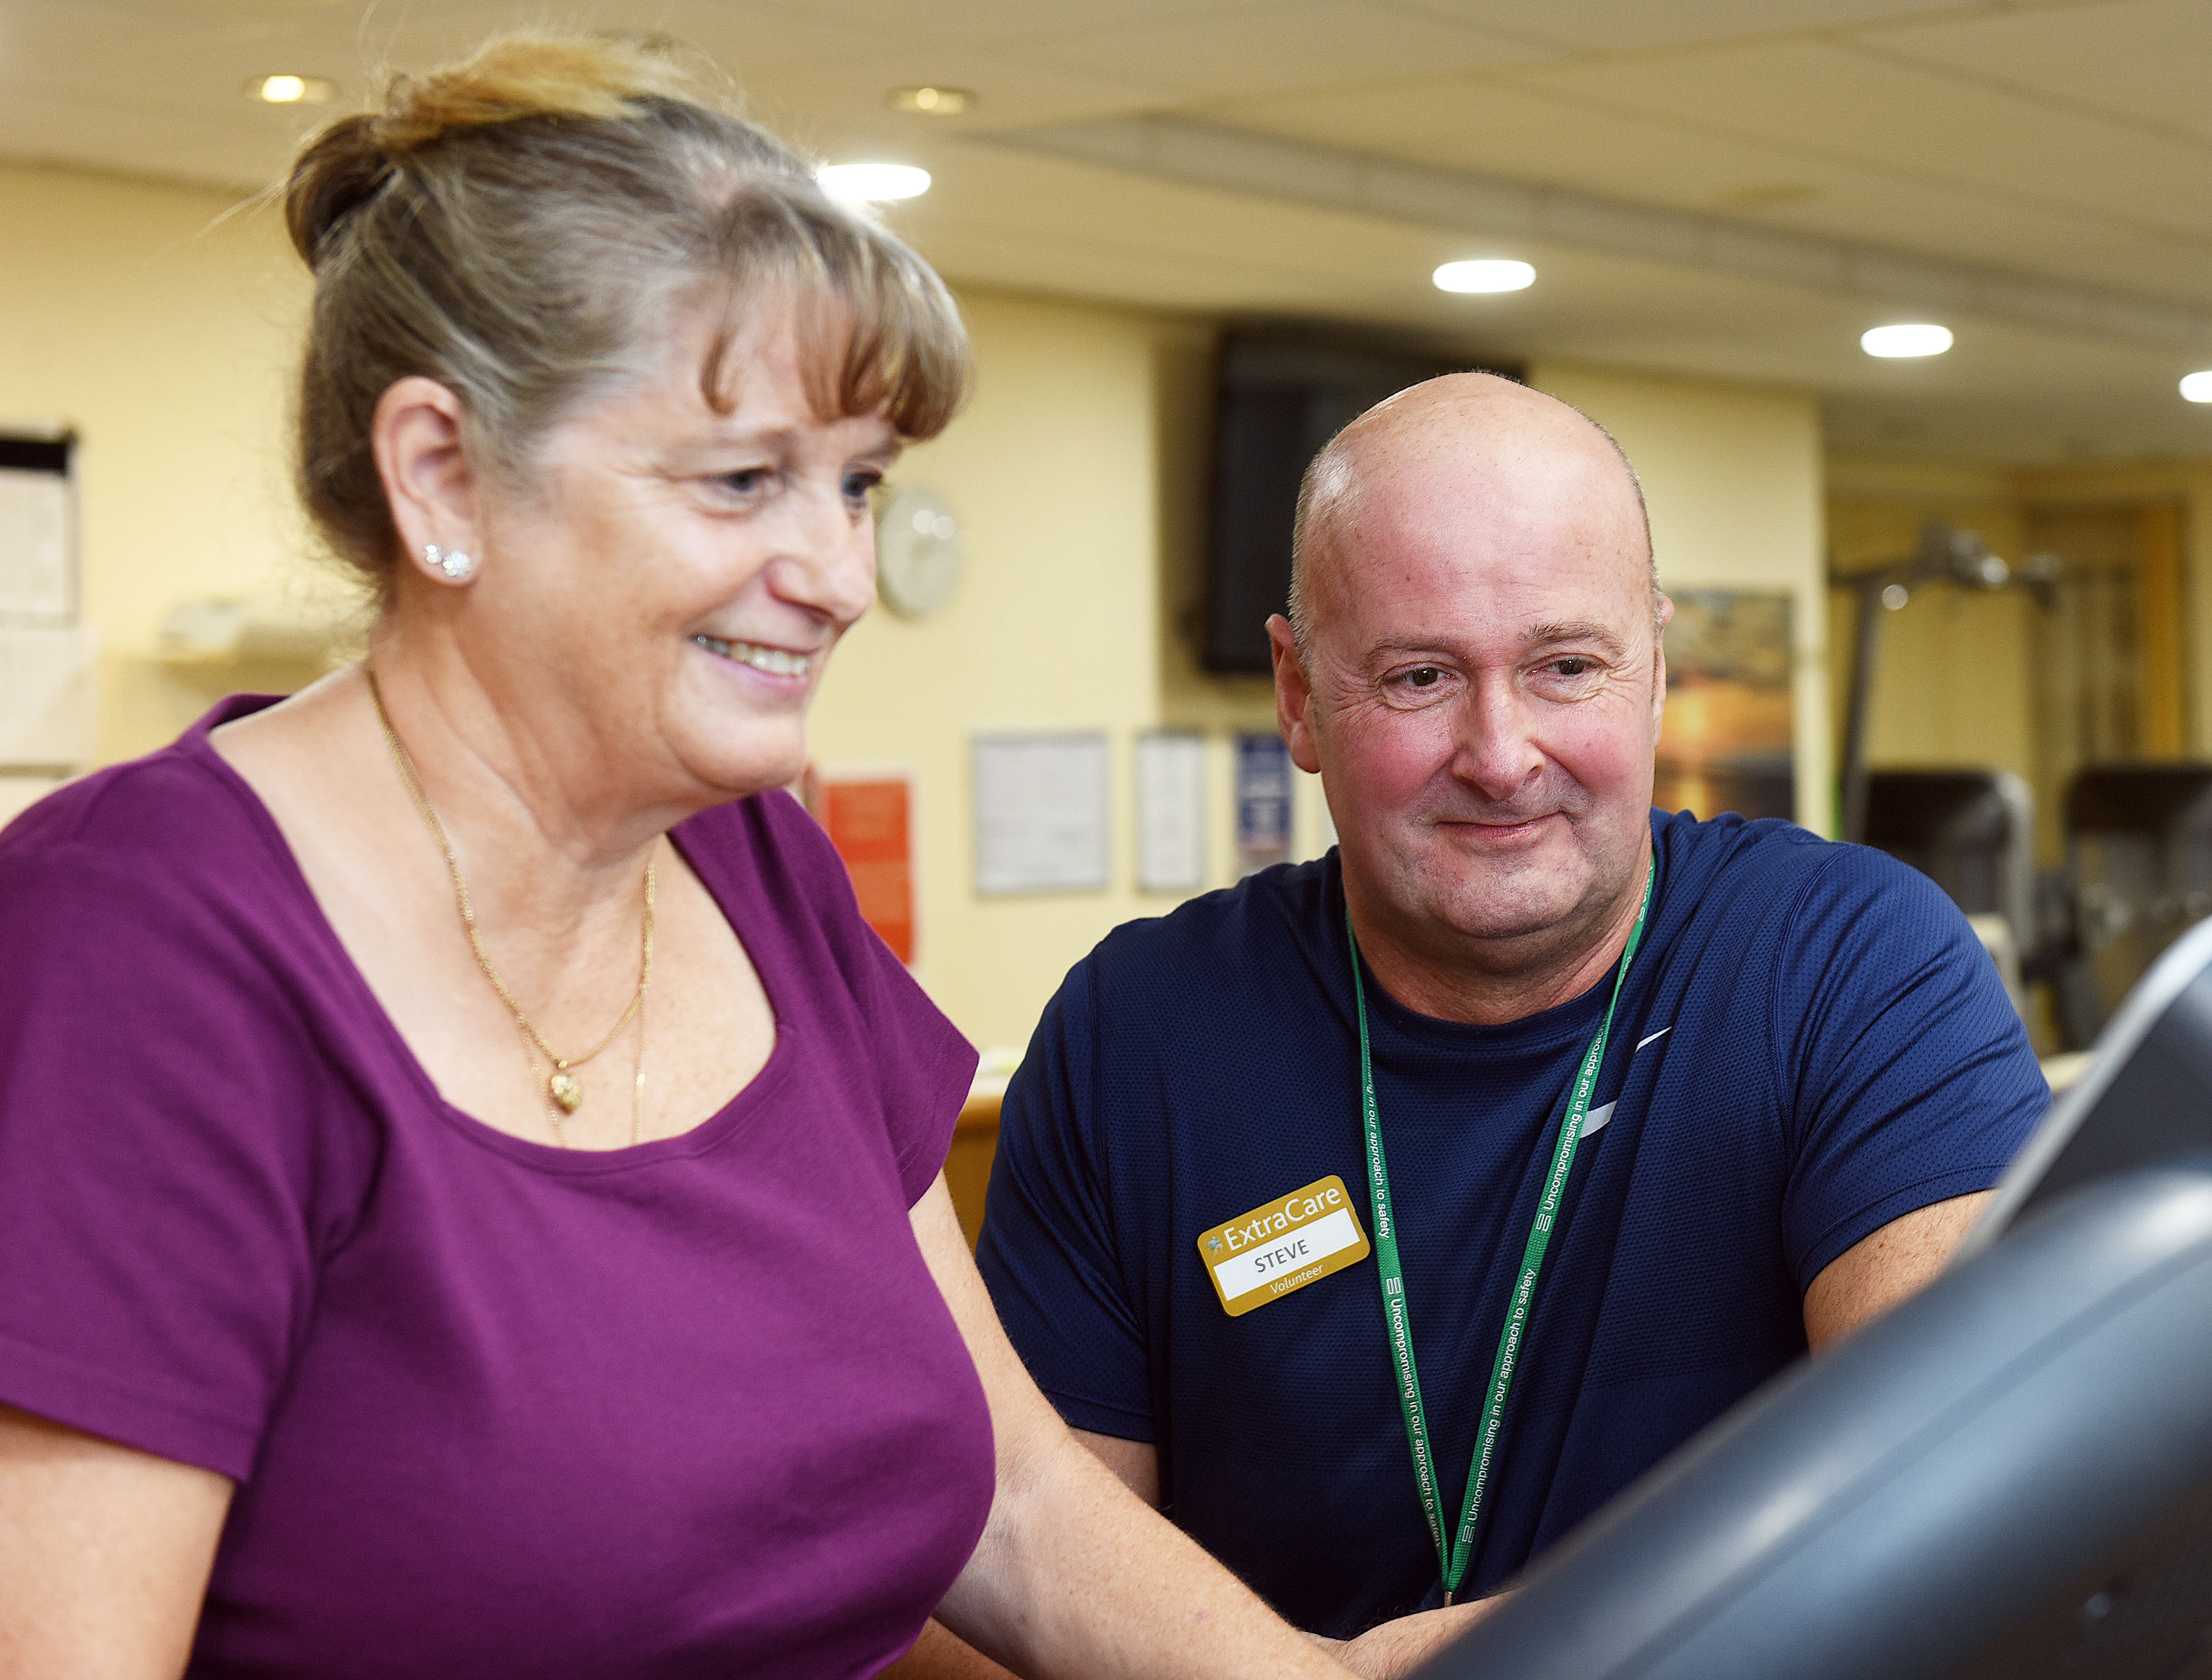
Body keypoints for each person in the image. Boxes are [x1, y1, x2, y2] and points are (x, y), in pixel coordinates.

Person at [0, 36, 1360, 1680]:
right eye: (744, 483)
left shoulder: (754, 869)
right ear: (441, 475)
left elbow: (1014, 1502)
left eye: (858, 484)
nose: (841, 571)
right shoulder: (143, 939)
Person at [968, 373, 2052, 1674]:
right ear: (1299, 695)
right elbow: (1014, 1586)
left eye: (1565, 667)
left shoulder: (1846, 963)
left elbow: (1957, 1477)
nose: (1500, 751)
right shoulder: (1132, 1037)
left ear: (1653, 669)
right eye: (1420, 676)